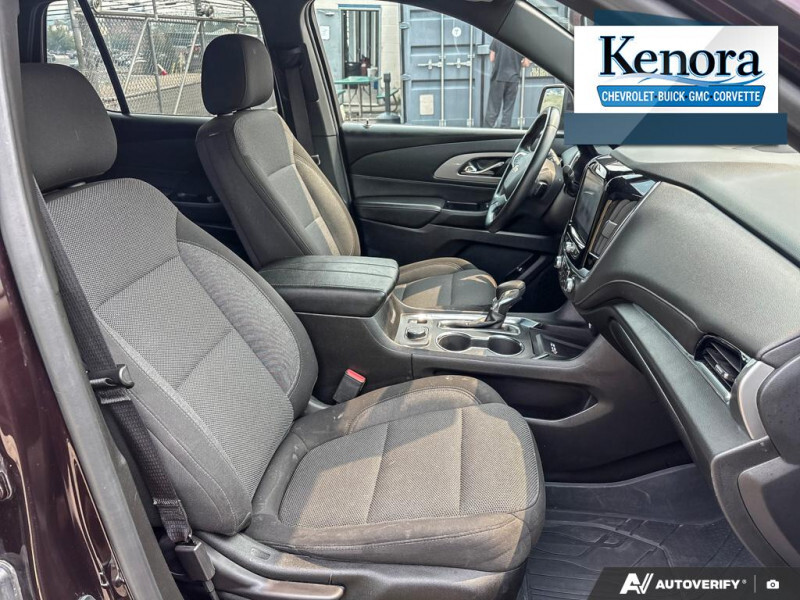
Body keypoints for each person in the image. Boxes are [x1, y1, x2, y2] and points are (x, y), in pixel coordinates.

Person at [484, 40, 531, 128]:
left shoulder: (497, 39)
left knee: (493, 109)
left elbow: (491, 58)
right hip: (513, 79)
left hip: (498, 78)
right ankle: (504, 132)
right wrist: (518, 63)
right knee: (508, 110)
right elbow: (526, 63)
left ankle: (487, 132)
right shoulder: (522, 41)